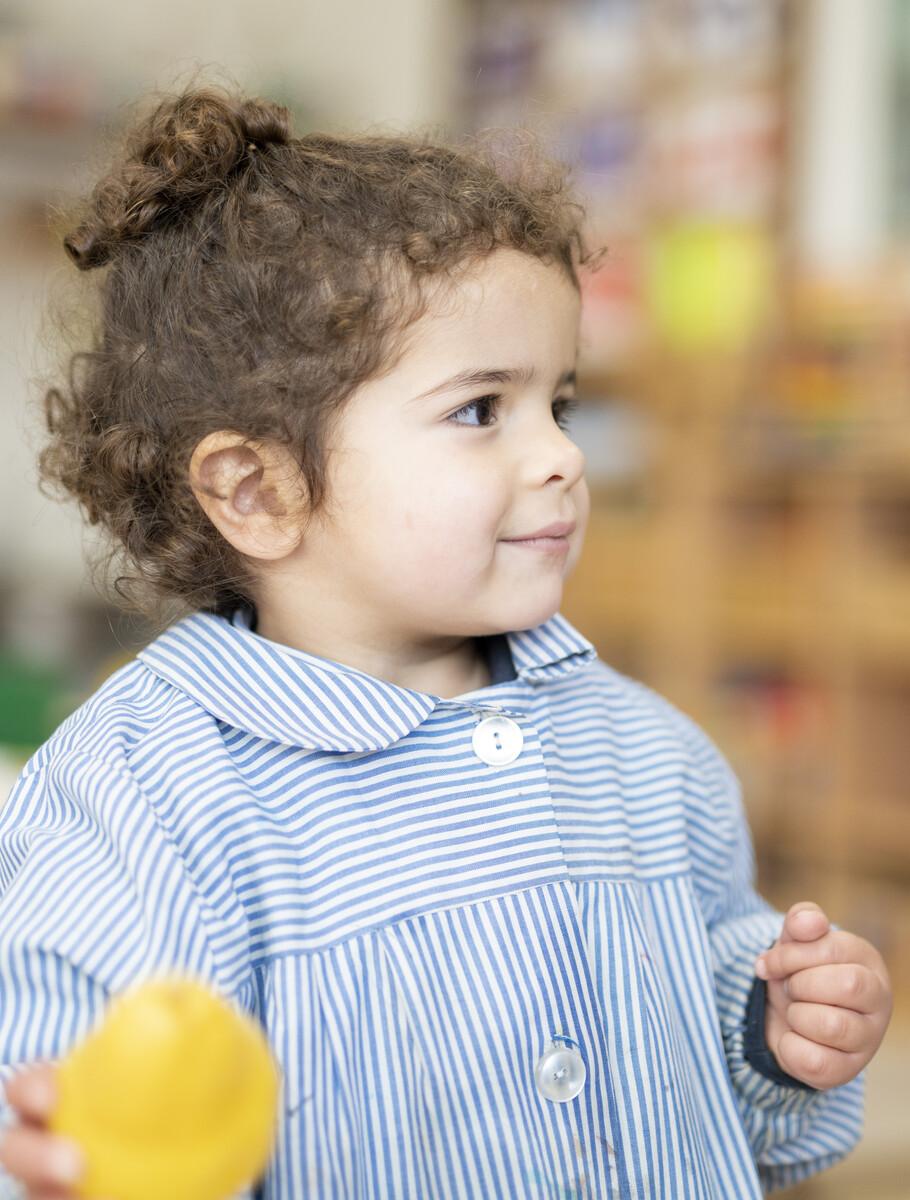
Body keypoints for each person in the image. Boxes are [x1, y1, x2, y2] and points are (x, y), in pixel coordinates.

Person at [0, 80, 892, 1200]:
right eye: (481, 410)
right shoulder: (142, 794)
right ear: (259, 490)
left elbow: (729, 1094)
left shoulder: (651, 759)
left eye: (560, 404)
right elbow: (54, 1080)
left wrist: (772, 1029)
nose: (563, 456)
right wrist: (66, 1158)